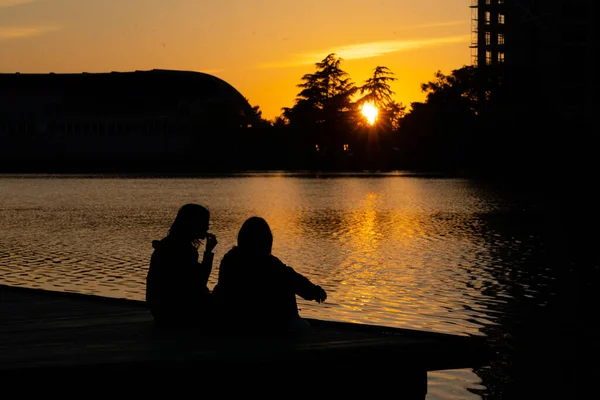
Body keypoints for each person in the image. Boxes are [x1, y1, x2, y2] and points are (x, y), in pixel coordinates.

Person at [212, 216, 327, 334]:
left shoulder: (229, 258)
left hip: (230, 320)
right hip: (263, 323)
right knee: (286, 284)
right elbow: (295, 280)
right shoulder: (269, 263)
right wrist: (315, 292)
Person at [146, 203, 218, 329]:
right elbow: (200, 282)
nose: (207, 227)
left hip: (160, 311)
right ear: (193, 224)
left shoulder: (166, 245)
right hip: (176, 314)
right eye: (204, 223)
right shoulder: (184, 251)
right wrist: (208, 252)